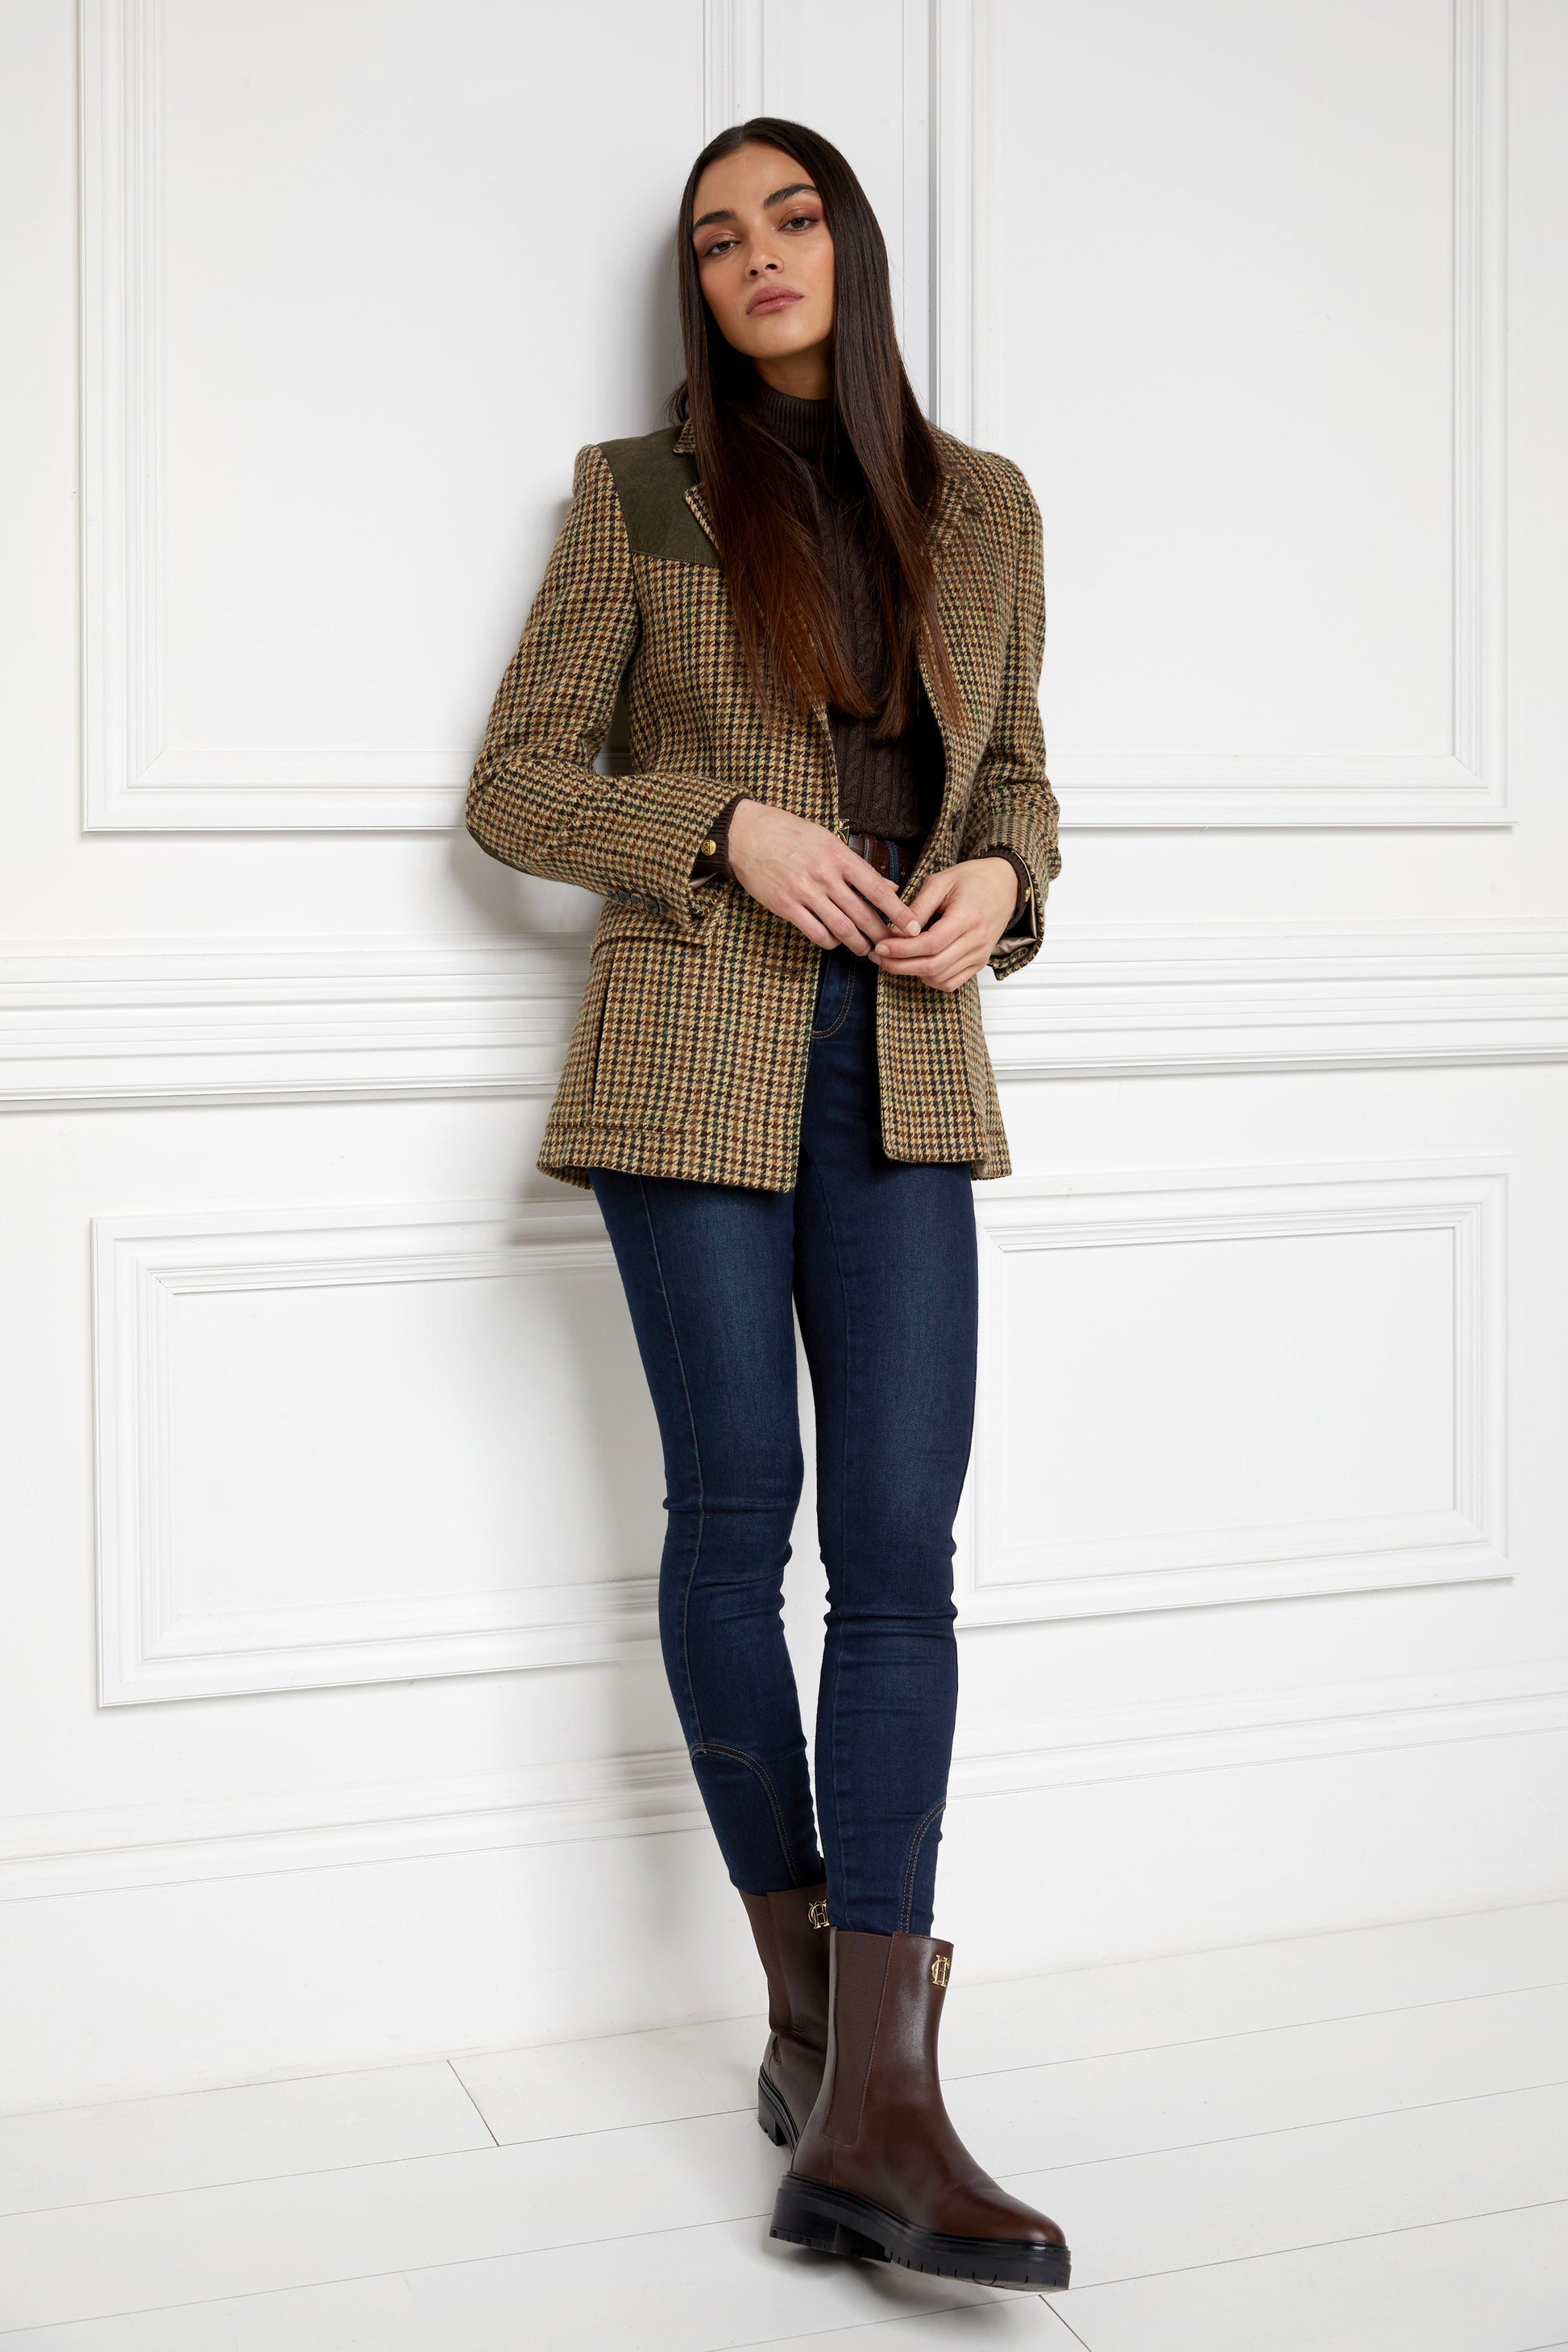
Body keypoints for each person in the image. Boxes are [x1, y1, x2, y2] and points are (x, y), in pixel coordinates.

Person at [465, 117, 1068, 2293]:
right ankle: (832, 2050)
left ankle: (867, 2087)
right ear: (698, 289)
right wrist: (723, 822)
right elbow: (517, 783)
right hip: (692, 1053)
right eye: (719, 239)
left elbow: (1017, 773)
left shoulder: (983, 507)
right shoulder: (638, 496)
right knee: (740, 1522)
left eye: (791, 218)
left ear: (851, 246)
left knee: (900, 1550)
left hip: (904, 1051)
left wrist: (1003, 879)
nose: (758, 258)